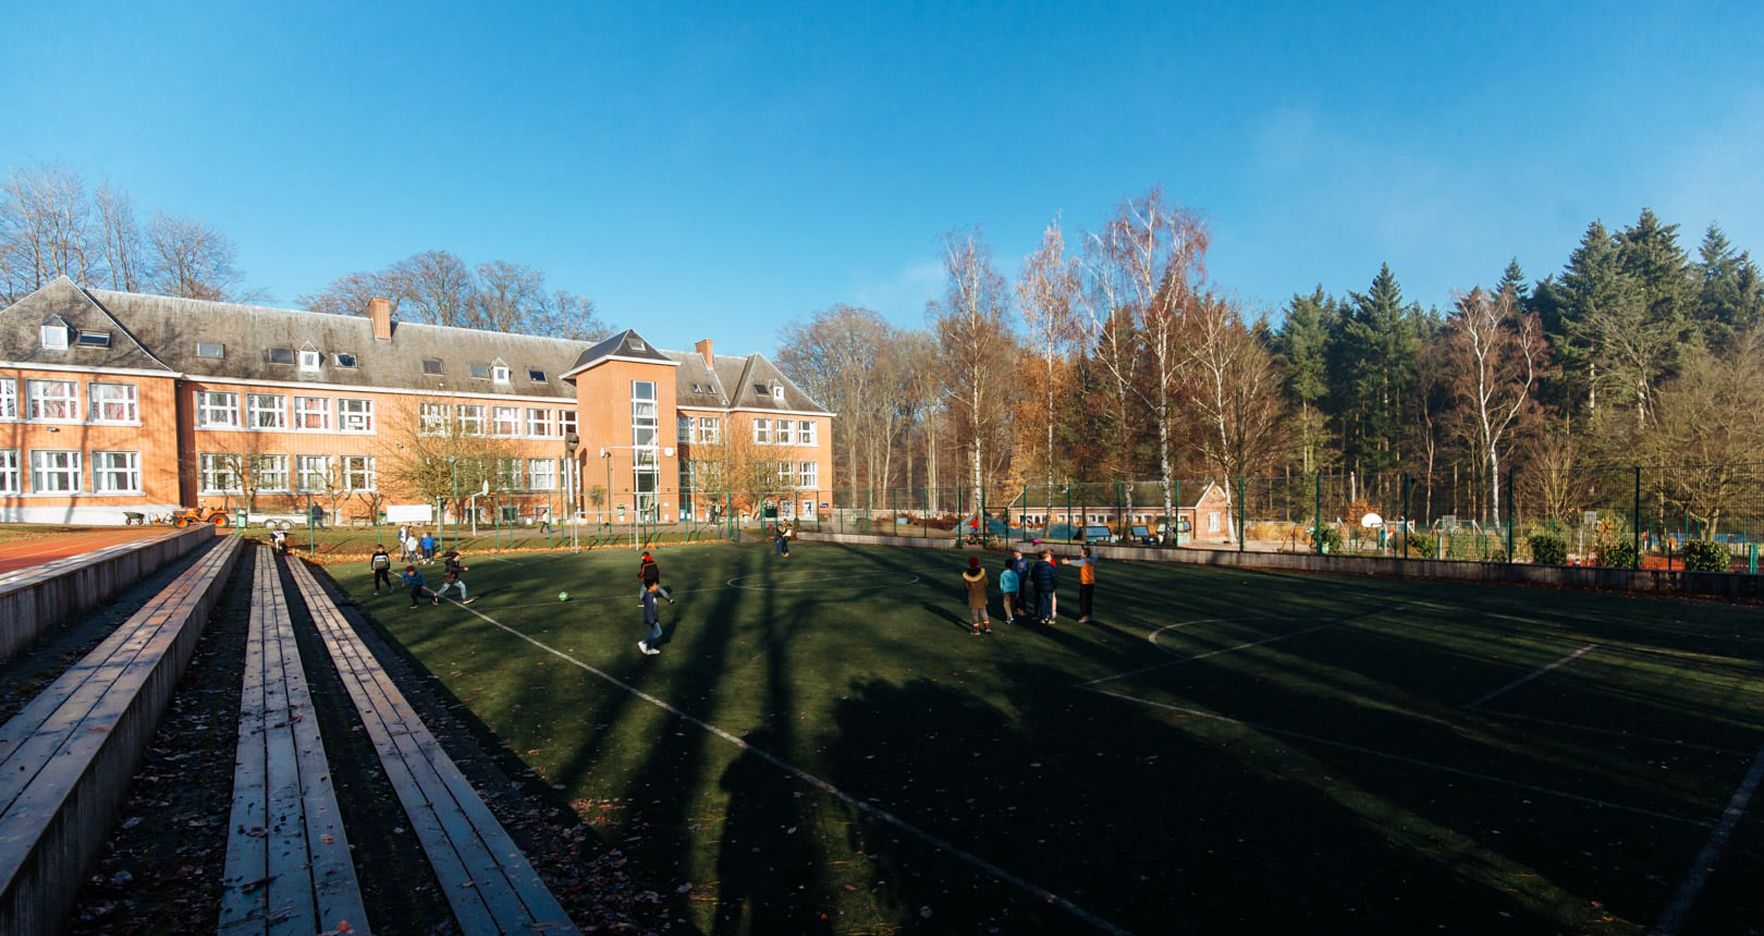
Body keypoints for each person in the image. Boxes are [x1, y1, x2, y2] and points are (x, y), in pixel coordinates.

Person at [961, 556, 992, 635]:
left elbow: (966, 586)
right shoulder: (982, 572)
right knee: (983, 610)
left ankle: (976, 629)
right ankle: (987, 627)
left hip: (972, 596)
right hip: (982, 595)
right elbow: (986, 583)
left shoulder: (966, 575)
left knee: (974, 613)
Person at [1067, 545, 1097, 623]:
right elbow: (1095, 555)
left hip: (1085, 583)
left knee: (1083, 600)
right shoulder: (1091, 559)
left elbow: (1077, 563)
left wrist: (1068, 562)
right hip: (1091, 583)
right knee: (1089, 600)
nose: (1080, 554)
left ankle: (1085, 616)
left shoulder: (1084, 561)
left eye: (1081, 552)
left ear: (1085, 554)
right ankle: (1089, 615)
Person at [1030, 549, 1059, 624]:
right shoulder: (1050, 566)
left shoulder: (1036, 565)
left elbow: (1032, 576)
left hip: (1040, 587)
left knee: (1042, 602)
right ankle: (1049, 617)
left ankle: (1042, 617)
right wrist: (1055, 585)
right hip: (1049, 587)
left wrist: (1036, 582)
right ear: (1047, 557)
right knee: (1049, 602)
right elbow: (1054, 577)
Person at [637, 582, 663, 655]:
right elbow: (649, 609)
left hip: (653, 617)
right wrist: (652, 620)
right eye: (655, 585)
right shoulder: (649, 596)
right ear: (650, 587)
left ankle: (650, 648)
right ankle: (643, 643)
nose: (656, 587)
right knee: (658, 633)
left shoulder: (650, 594)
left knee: (652, 632)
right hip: (651, 618)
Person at [1009, 548, 1032, 620]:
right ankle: (1016, 609)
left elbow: (1024, 572)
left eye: (1015, 552)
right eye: (1014, 552)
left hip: (1020, 581)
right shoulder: (1013, 560)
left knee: (1021, 595)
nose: (1014, 553)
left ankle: (1022, 609)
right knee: (1014, 595)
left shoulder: (1023, 561)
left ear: (1019, 553)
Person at [997, 557, 1019, 626]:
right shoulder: (1014, 574)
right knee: (1012, 603)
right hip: (1013, 590)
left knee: (1006, 604)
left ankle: (1010, 617)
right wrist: (1017, 591)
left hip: (1006, 590)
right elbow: (1017, 583)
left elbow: (1001, 583)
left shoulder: (1003, 574)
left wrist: (1002, 589)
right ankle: (1010, 616)